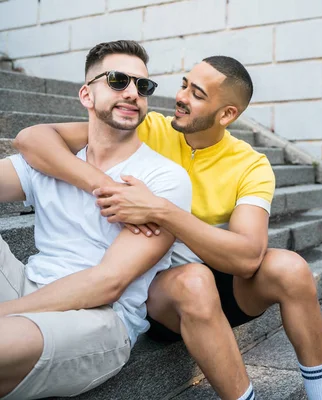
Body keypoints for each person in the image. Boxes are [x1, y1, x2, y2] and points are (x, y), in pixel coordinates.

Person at [15, 54, 322, 399]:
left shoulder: (251, 165)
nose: (180, 97)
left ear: (227, 114)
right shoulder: (150, 129)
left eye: (197, 94)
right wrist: (111, 190)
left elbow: (246, 258)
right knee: (194, 282)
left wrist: (163, 211)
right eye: (184, 85)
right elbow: (34, 140)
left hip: (219, 274)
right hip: (161, 289)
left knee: (292, 269)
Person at [0, 40, 192, 399]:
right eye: (119, 80)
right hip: (29, 286)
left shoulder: (163, 179)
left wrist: (5, 313)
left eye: (143, 86)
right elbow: (30, 142)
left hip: (100, 319)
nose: (133, 92)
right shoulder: (54, 159)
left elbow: (108, 283)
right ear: (87, 95)